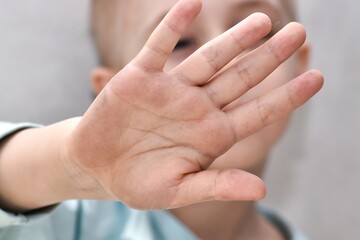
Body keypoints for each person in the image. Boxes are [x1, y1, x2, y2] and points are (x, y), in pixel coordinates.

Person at [0, 0, 323, 239]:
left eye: (257, 31)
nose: (226, 62)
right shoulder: (70, 224)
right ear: (105, 96)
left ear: (298, 63)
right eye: (182, 42)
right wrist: (70, 165)